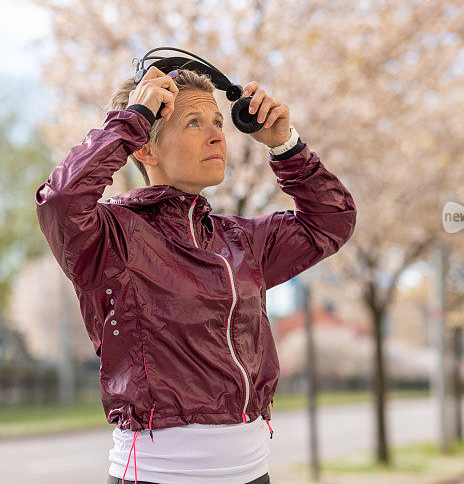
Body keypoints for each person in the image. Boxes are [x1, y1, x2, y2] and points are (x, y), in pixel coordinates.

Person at [34, 65, 356, 483]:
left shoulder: (241, 241)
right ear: (145, 150)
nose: (216, 135)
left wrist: (285, 145)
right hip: (157, 475)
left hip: (252, 473)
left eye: (218, 122)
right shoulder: (112, 237)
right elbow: (60, 200)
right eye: (193, 122)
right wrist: (131, 121)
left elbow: (331, 221)